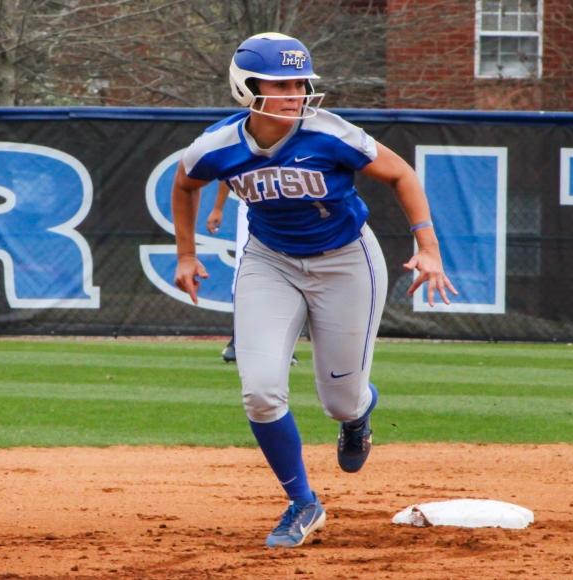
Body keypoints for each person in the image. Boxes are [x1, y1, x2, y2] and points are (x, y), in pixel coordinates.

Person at [172, 32, 456, 549]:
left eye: (300, 81)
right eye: (280, 82)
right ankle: (302, 502)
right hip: (269, 261)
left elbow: (401, 174)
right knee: (259, 392)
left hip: (346, 261)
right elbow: (184, 182)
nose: (295, 92)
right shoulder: (216, 144)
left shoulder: (329, 133)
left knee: (340, 401)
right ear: (246, 86)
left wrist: (428, 245)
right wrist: (186, 255)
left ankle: (358, 415)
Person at [206, 182, 299, 366]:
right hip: (251, 202)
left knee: (287, 272)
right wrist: (218, 207)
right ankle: (239, 339)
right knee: (244, 269)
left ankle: (282, 344)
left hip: (291, 204)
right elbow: (227, 162)